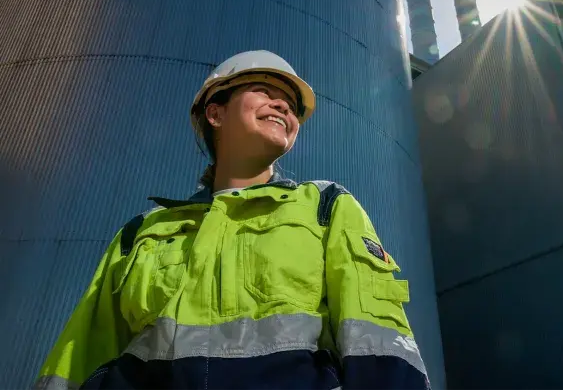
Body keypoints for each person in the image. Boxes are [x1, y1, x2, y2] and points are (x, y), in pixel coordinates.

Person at [35, 50, 429, 390]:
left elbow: (379, 341)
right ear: (215, 112)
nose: (283, 107)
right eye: (266, 92)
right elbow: (79, 357)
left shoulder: (325, 207)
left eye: (290, 105)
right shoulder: (143, 232)